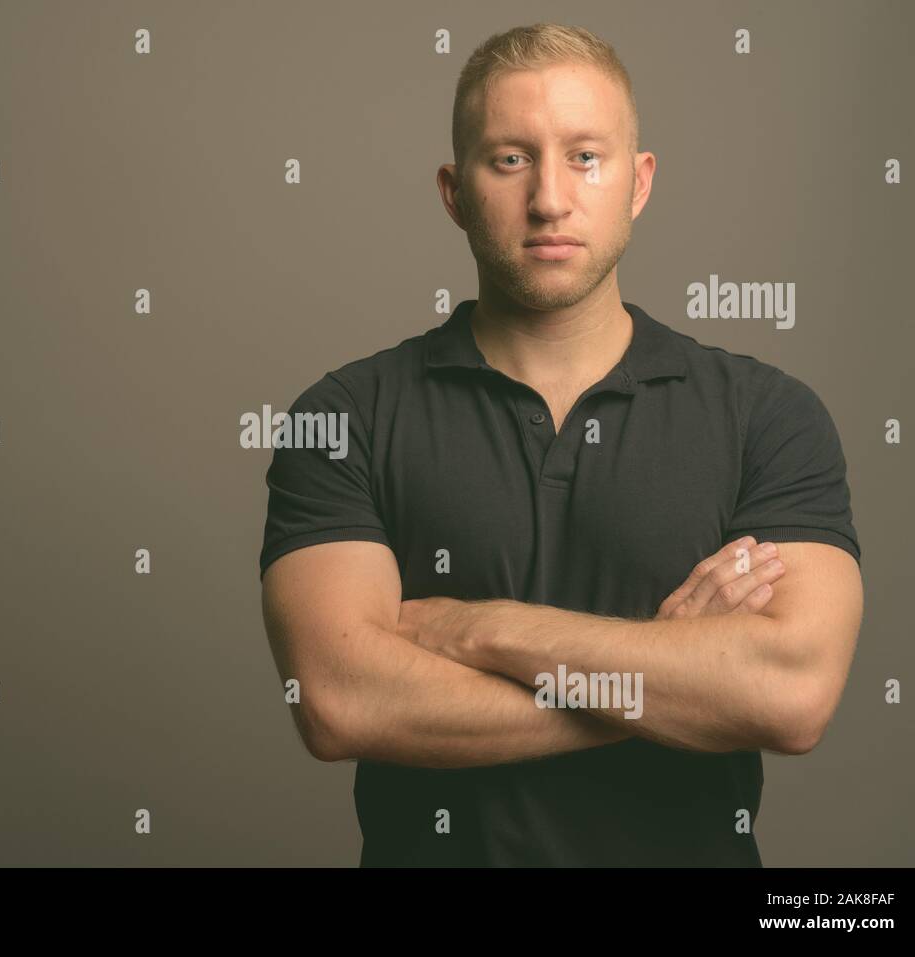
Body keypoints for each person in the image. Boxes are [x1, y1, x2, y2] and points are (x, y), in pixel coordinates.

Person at [257, 23, 864, 866]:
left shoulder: (767, 415)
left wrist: (481, 630)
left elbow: (790, 694)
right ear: (452, 190)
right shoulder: (344, 418)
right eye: (510, 159)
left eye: (586, 156)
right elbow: (340, 701)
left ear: (638, 182)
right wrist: (669, 680)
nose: (549, 197)